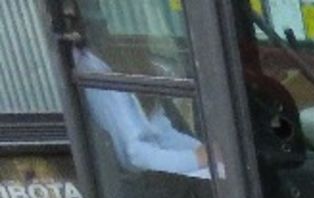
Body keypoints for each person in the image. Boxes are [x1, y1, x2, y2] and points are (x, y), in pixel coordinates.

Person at [73, 46, 211, 179]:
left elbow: (162, 132)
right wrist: (195, 159)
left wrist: (205, 152)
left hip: (161, 171)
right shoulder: (93, 72)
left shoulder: (119, 58)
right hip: (141, 183)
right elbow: (136, 154)